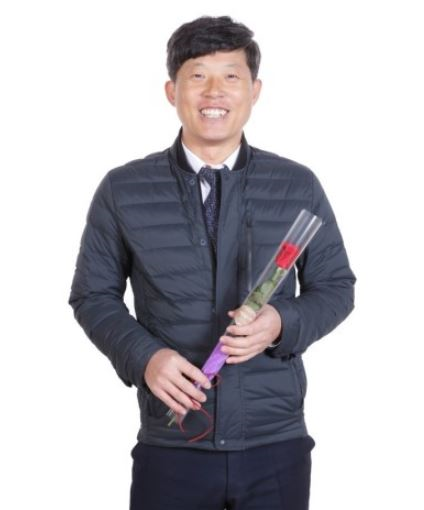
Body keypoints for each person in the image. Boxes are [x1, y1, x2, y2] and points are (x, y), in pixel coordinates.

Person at [68, 15, 356, 510]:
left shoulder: (297, 185)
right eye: (198, 75)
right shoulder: (123, 189)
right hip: (174, 438)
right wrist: (145, 357)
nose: (214, 91)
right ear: (171, 90)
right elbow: (93, 296)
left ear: (255, 90)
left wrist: (280, 322)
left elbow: (335, 287)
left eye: (231, 75)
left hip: (275, 441)